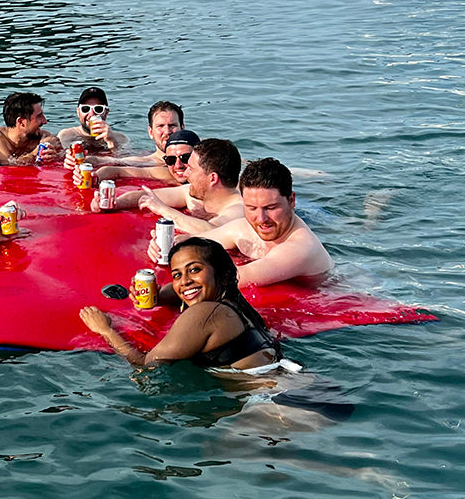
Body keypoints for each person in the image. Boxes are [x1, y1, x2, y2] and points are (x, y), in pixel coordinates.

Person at [80, 237, 279, 370]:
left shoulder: (204, 314)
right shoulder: (235, 304)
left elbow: (145, 365)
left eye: (194, 270)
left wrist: (105, 330)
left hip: (268, 406)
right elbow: (184, 288)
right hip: (288, 384)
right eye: (177, 275)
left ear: (223, 274)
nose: (184, 281)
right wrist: (155, 296)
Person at [156, 157, 333, 286]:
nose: (261, 219)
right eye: (251, 208)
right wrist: (165, 247)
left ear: (292, 201)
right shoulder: (243, 228)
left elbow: (238, 278)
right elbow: (197, 243)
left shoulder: (300, 248)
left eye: (271, 208)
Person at [99, 136, 244, 233]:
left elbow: (212, 231)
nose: (186, 174)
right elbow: (146, 196)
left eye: (191, 169)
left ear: (212, 179)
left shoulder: (239, 209)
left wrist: (163, 210)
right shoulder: (191, 193)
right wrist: (114, 203)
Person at [72, 101, 185, 183]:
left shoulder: (197, 155)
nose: (167, 131)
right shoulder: (147, 161)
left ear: (182, 128)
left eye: (172, 125)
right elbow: (112, 165)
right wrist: (79, 160)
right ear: (150, 132)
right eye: (160, 126)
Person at [0, 92, 63, 166]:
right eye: (39, 116)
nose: (45, 121)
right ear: (21, 122)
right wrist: (37, 151)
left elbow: (65, 157)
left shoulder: (44, 137)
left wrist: (57, 156)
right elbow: (8, 165)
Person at [56, 86, 130, 155]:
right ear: (78, 112)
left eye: (98, 109)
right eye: (85, 109)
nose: (91, 114)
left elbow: (126, 162)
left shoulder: (120, 138)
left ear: (106, 112)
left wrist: (112, 142)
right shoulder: (66, 135)